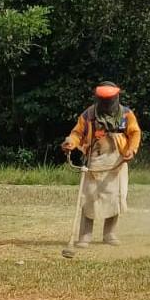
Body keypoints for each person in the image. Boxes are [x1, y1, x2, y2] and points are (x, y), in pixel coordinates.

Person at [60, 82, 142, 247]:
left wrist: (131, 150)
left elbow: (135, 133)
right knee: (89, 197)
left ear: (115, 98)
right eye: (103, 100)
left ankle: (109, 234)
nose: (106, 103)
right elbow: (77, 133)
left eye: (109, 99)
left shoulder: (126, 114)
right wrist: (71, 142)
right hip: (95, 161)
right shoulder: (89, 114)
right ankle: (85, 236)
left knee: (115, 197)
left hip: (117, 162)